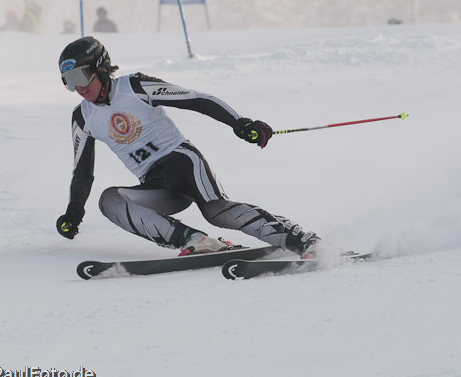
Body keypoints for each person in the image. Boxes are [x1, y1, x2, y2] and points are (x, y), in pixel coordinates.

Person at [56, 36, 320, 258]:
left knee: (217, 212)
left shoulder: (135, 86)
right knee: (110, 201)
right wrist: (74, 213)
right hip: (157, 186)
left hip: (183, 163)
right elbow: (82, 173)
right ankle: (193, 240)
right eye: (68, 80)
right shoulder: (83, 118)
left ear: (101, 68)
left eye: (80, 75)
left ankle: (301, 240)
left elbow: (198, 100)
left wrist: (240, 123)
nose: (77, 87)